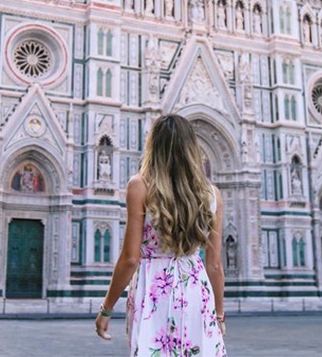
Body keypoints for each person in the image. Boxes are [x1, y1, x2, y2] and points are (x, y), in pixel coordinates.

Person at [94, 114, 227, 356]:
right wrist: (219, 314)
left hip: (155, 290)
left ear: (154, 146)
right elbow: (215, 265)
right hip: (197, 290)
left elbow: (130, 258)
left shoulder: (140, 186)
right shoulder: (212, 195)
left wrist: (106, 308)